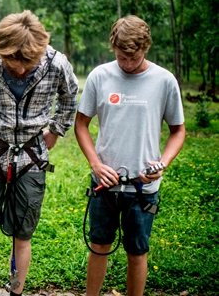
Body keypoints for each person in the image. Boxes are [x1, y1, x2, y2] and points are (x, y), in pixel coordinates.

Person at [0, 10, 79, 296]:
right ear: (0, 49)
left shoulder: (56, 63)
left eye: (28, 62)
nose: (21, 69)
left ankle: (15, 293)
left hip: (32, 155)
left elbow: (70, 94)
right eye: (13, 60)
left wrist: (57, 130)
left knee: (22, 235)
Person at [74, 15, 186, 296]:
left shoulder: (164, 80)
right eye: (121, 56)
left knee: (137, 251)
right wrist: (96, 164)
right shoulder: (100, 75)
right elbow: (81, 125)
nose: (126, 63)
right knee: (99, 246)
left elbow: (178, 131)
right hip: (104, 184)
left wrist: (163, 163)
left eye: (133, 57)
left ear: (145, 47)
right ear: (113, 47)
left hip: (143, 186)